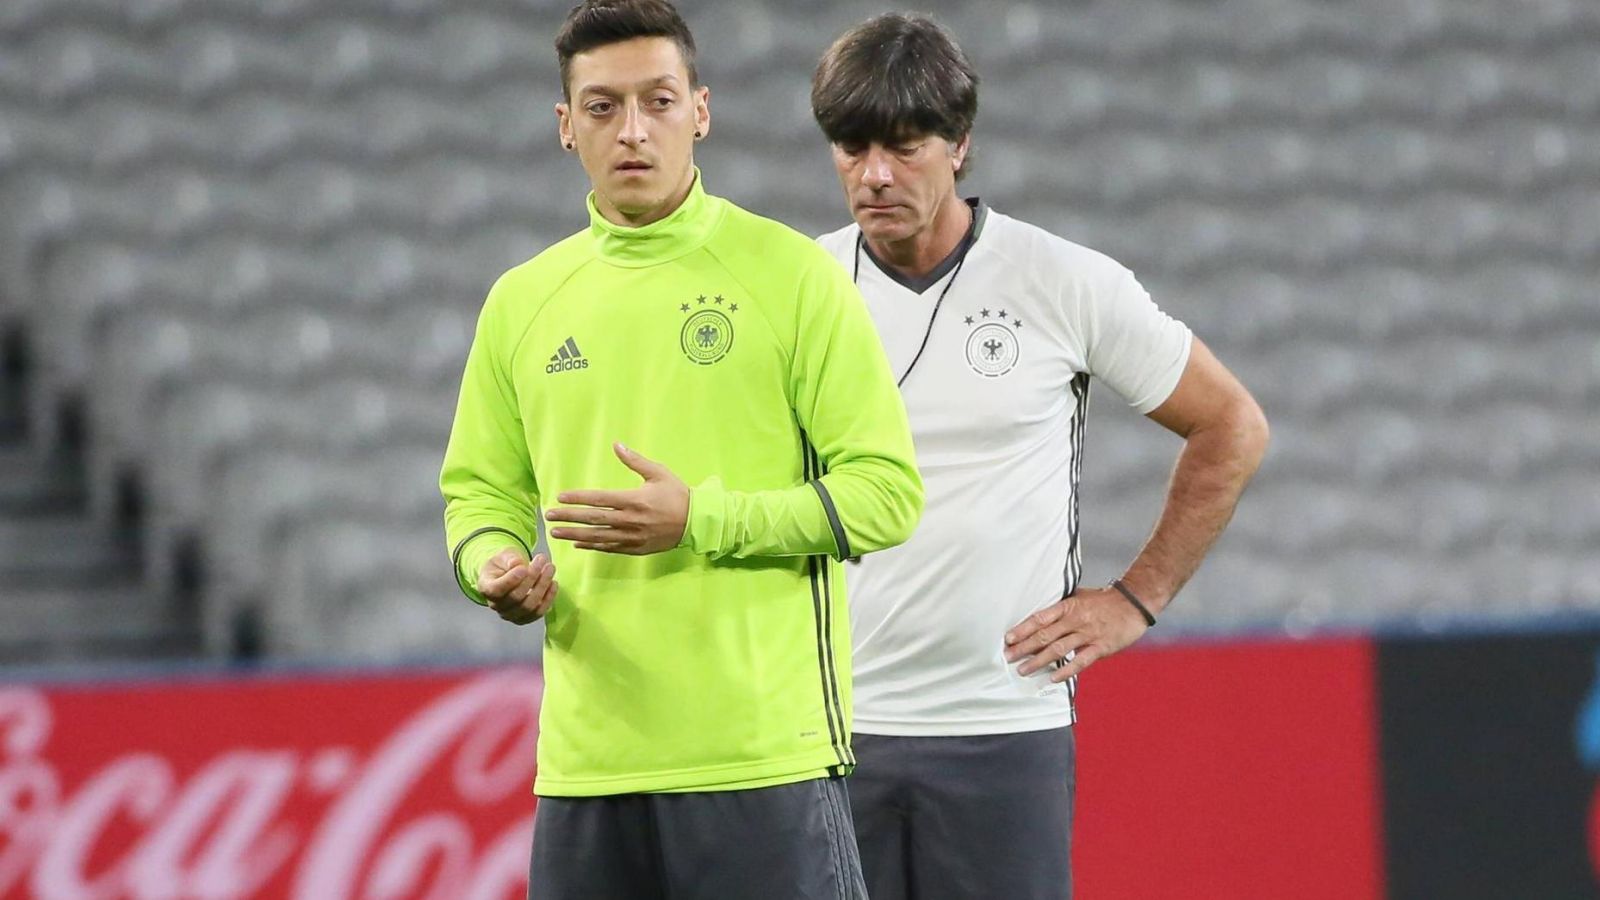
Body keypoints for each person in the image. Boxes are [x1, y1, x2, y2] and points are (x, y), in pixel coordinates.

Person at [439, 2, 923, 896]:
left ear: (700, 111)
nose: (632, 129)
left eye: (657, 101)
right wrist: (492, 567)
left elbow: (886, 494)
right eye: (602, 106)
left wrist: (700, 518)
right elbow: (479, 495)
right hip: (587, 771)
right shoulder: (521, 302)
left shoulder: (792, 277)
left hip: (763, 759)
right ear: (565, 126)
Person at [809, 13, 1270, 899]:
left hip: (1002, 729)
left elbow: (1232, 426)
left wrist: (1137, 598)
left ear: (959, 144)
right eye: (851, 147)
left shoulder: (1062, 281)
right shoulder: (799, 290)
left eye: (904, 146)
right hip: (825, 732)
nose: (874, 174)